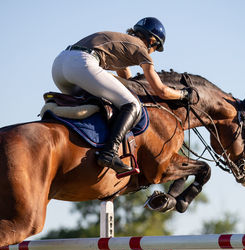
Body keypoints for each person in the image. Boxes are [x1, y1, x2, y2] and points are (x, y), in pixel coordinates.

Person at [52, 17, 189, 174]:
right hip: (82, 63)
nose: (153, 52)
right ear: (152, 40)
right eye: (156, 48)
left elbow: (125, 76)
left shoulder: (123, 41)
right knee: (133, 105)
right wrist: (182, 94)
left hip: (59, 65)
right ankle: (109, 152)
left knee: (99, 103)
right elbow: (161, 91)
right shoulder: (141, 48)